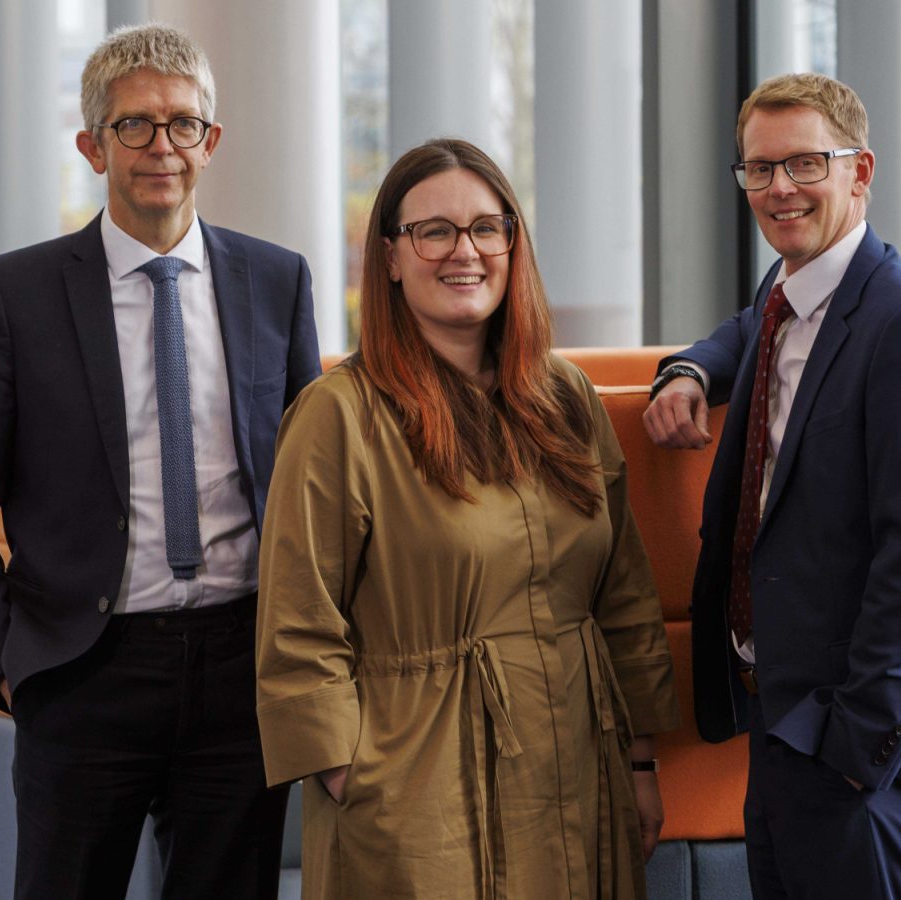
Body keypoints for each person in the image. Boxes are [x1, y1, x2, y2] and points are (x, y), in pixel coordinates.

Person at [0, 24, 319, 900]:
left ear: (210, 142)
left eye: (181, 125)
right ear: (92, 145)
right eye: (133, 125)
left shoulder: (278, 283)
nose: (160, 147)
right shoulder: (14, 294)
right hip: (80, 670)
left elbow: (312, 491)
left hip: (238, 670)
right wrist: (5, 664)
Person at [255, 138, 678, 899]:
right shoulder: (339, 416)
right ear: (390, 255)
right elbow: (297, 624)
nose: (466, 251)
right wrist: (355, 778)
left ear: (513, 245)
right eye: (435, 231)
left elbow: (623, 594)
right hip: (417, 788)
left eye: (487, 228)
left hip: (579, 767)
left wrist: (640, 761)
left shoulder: (565, 397)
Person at [643, 73, 901, 899]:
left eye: (803, 165)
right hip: (781, 721)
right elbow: (742, 333)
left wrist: (861, 750)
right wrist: (688, 370)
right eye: (759, 169)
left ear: (859, 172)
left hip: (855, 744)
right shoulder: (784, 295)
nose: (778, 189)